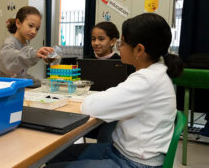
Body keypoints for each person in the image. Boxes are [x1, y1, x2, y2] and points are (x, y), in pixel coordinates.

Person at [46, 13, 184, 168]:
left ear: (139, 50)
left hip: (133, 162)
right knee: (54, 154)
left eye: (122, 43)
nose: (119, 47)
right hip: (121, 150)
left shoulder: (146, 80)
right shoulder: (157, 71)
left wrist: (100, 97)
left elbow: (90, 107)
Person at [0, 6, 54, 87]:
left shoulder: (25, 44)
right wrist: (34, 53)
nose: (34, 31)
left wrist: (42, 83)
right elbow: (9, 65)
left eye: (37, 29)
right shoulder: (9, 44)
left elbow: (21, 75)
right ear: (18, 23)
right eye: (30, 26)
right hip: (4, 91)